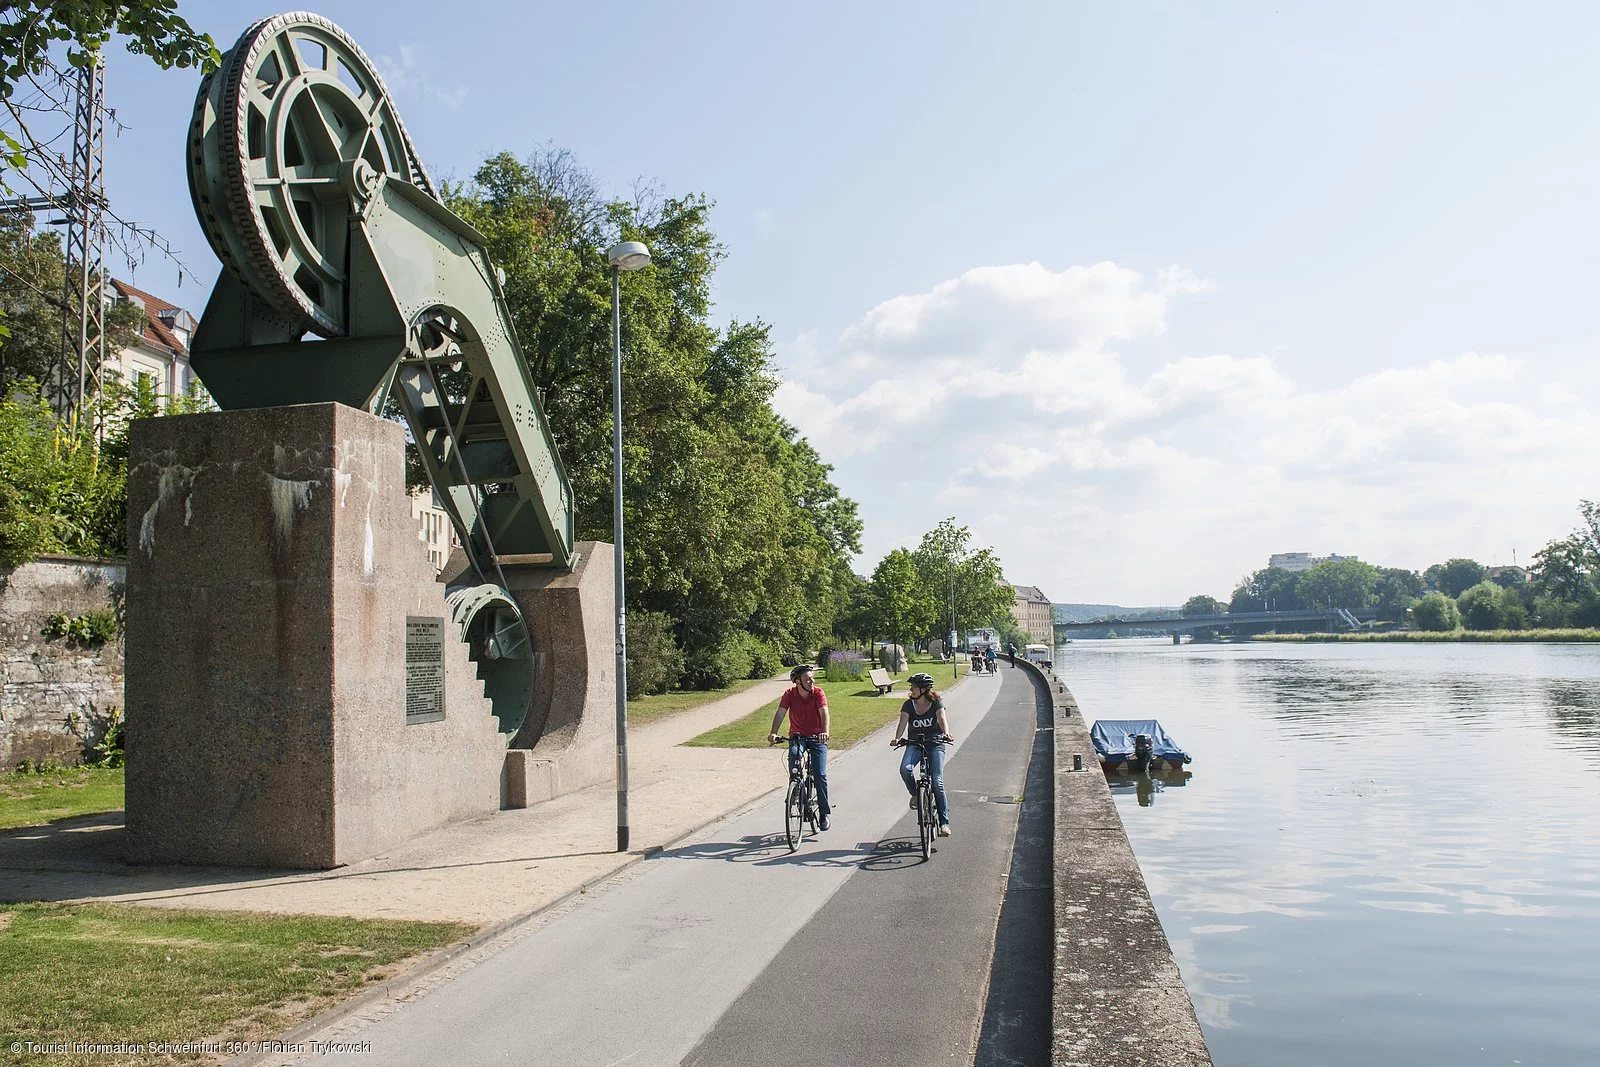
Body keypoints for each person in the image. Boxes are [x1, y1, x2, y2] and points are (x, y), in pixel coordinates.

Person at [769, 663, 831, 830]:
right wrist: (773, 732)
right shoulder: (789, 694)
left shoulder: (818, 693)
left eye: (812, 679)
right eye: (808, 679)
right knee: (795, 762)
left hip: (817, 737)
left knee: (820, 774)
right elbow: (781, 712)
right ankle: (798, 793)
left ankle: (824, 814)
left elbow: (824, 711)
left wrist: (824, 732)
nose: (812, 682)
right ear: (798, 682)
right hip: (798, 736)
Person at [891, 672, 953, 836]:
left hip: (935, 743)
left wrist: (946, 733)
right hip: (915, 743)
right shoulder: (908, 705)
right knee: (905, 769)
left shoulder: (936, 703)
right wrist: (897, 738)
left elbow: (942, 719)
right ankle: (916, 795)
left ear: (924, 690)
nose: (910, 689)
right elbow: (903, 722)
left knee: (937, 783)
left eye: (914, 687)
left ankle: (944, 823)